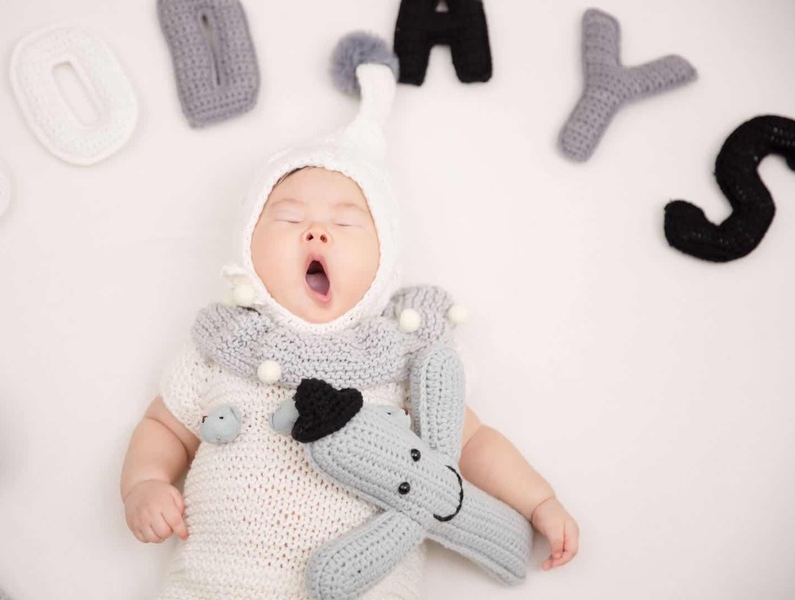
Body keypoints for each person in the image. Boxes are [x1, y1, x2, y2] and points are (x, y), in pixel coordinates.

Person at [120, 33, 578, 600]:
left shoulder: (398, 358)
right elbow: (165, 427)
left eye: (346, 223)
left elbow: (473, 443)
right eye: (289, 219)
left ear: (385, 262)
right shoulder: (226, 348)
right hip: (215, 585)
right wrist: (144, 483)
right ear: (247, 249)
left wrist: (538, 500)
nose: (317, 231)